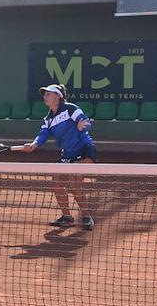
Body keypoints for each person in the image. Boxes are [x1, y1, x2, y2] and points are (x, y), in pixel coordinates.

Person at [15, 84, 96, 230]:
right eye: (44, 94)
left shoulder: (70, 108)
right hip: (67, 153)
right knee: (56, 182)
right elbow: (43, 134)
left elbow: (85, 121)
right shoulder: (49, 118)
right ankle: (67, 217)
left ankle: (86, 216)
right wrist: (33, 145)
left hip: (84, 149)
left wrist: (81, 125)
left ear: (58, 96)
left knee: (74, 184)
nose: (45, 96)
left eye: (48, 94)